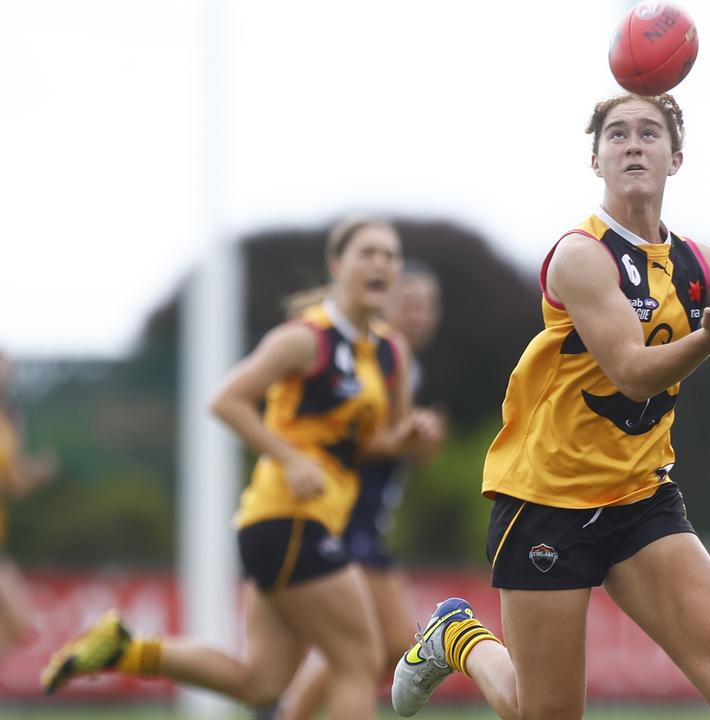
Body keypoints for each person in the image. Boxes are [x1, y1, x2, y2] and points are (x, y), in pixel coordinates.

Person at [389, 93, 710, 720]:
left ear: (675, 157)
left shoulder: (698, 263)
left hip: (638, 497)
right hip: (546, 499)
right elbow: (632, 374)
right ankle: (457, 637)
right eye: (618, 135)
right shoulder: (583, 255)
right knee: (543, 711)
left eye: (650, 134)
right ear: (597, 159)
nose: (634, 144)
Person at [41, 218, 439, 720]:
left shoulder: (391, 353)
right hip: (288, 517)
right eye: (368, 253)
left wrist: (409, 436)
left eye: (390, 255)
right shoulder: (305, 339)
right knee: (358, 661)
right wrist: (289, 457)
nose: (382, 263)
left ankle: (125, 650)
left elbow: (378, 442)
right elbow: (227, 400)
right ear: (338, 266)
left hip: (298, 526)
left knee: (261, 681)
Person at [279, 261, 447, 720]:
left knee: (372, 649)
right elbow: (356, 442)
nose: (421, 316)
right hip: (345, 517)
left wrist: (422, 441)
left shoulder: (402, 368)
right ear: (385, 305)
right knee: (380, 648)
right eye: (410, 305)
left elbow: (401, 451)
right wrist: (405, 437)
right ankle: (286, 711)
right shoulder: (370, 362)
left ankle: (285, 711)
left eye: (429, 307)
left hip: (368, 522)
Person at [0, 350, 58, 659]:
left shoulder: (9, 417)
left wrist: (36, 472)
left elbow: (14, 485)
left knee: (17, 623)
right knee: (16, 614)